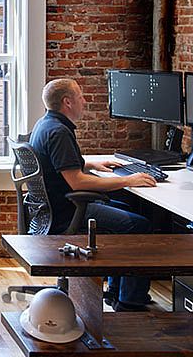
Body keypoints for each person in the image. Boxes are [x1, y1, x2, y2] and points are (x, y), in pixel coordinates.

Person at [28, 78, 158, 311]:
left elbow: (60, 166)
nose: (85, 101)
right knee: (139, 226)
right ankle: (130, 301)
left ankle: (117, 293)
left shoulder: (45, 125)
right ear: (67, 102)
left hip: (51, 210)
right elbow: (76, 182)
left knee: (127, 209)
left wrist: (92, 164)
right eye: (80, 96)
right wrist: (127, 180)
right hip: (67, 213)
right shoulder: (59, 132)